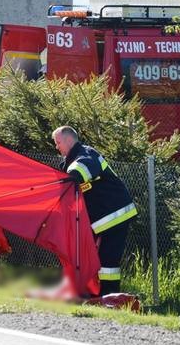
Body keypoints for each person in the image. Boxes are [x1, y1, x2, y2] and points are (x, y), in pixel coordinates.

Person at [52, 126, 137, 296]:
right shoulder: (72, 160)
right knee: (93, 256)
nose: (57, 147)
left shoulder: (85, 154)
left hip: (116, 215)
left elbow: (82, 169)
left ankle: (109, 297)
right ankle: (96, 294)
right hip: (104, 219)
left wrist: (71, 176)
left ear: (69, 140)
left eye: (58, 142)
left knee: (108, 261)